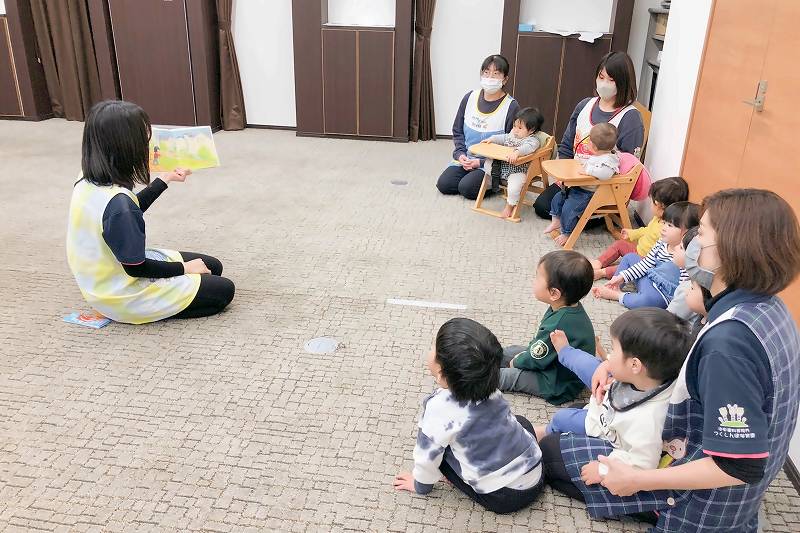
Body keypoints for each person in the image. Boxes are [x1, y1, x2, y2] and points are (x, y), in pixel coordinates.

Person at [551, 189, 800, 532]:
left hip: (696, 500)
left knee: (552, 453)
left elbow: (737, 466)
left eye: (703, 233)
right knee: (587, 419)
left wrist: (637, 480)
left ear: (732, 250)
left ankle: (648, 508)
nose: (693, 243)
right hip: (728, 486)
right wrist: (611, 364)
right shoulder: (768, 308)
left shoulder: (729, 345)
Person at [66, 100, 235, 324]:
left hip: (100, 278)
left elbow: (127, 211)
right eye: (144, 139)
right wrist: (184, 268)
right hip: (121, 293)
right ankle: (148, 309)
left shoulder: (87, 180)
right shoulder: (119, 206)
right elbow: (137, 268)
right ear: (127, 147)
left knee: (212, 266)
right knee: (223, 291)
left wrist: (164, 180)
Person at [393, 318, 544, 514]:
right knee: (520, 421)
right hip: (536, 473)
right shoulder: (490, 388)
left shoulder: (439, 408)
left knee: (440, 452)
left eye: (433, 348)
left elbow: (427, 457)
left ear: (441, 374)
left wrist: (420, 485)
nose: (431, 350)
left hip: (504, 497)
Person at [537, 309, 691, 500]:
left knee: (562, 419)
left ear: (635, 365)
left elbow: (642, 465)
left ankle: (545, 433)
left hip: (605, 429)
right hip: (607, 411)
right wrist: (606, 364)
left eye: (614, 349)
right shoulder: (652, 378)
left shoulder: (648, 420)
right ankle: (566, 352)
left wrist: (603, 470)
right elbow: (603, 366)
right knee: (591, 371)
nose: (609, 355)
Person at [533, 52, 644, 219]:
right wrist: (563, 177)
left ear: (623, 82)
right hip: (573, 178)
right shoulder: (585, 105)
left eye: (611, 80)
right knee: (543, 206)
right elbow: (567, 144)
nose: (604, 84)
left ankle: (593, 217)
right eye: (601, 77)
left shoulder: (630, 117)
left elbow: (629, 166)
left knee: (567, 213)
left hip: (600, 186)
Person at [499, 251, 595, 404]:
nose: (533, 280)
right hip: (553, 362)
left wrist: (516, 363)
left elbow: (536, 358)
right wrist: (522, 357)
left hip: (557, 384)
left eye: (537, 277)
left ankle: (472, 380)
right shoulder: (567, 307)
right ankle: (481, 360)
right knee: (510, 351)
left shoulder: (559, 323)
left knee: (507, 376)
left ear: (554, 293)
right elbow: (539, 348)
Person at [436, 54, 521, 200]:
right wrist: (460, 155)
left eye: (496, 74)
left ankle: (496, 183)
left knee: (467, 188)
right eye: (486, 72)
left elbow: (512, 144)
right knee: (444, 184)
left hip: (491, 163)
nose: (490, 77)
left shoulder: (511, 106)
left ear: (505, 79)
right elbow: (457, 131)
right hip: (466, 158)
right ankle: (470, 175)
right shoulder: (470, 97)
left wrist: (480, 162)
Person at [593, 202, 699, 309]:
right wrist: (621, 277)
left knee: (646, 301)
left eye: (670, 225)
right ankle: (614, 287)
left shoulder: (685, 256)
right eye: (664, 223)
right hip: (649, 278)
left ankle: (618, 296)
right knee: (630, 257)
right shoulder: (661, 242)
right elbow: (646, 264)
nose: (663, 228)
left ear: (687, 233)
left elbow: (682, 291)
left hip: (660, 293)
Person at [590, 176, 690, 280]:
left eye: (653, 202)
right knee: (619, 244)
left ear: (661, 207)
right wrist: (632, 233)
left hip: (645, 261)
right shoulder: (657, 218)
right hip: (638, 249)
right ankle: (599, 262)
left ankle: (602, 273)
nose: (650, 204)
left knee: (627, 266)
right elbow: (647, 230)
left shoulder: (666, 231)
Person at [544, 123, 620, 246]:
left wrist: (588, 170)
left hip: (591, 193)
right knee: (558, 197)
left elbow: (605, 174)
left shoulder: (609, 160)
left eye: (589, 141)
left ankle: (567, 233)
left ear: (593, 147)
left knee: (569, 208)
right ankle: (556, 220)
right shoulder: (599, 155)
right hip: (580, 187)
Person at [480, 107, 545, 218]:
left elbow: (527, 148)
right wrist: (492, 139)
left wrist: (517, 152)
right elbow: (504, 137)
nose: (515, 130)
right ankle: (495, 179)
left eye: (520, 128)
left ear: (531, 130)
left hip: (519, 170)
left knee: (514, 187)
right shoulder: (512, 134)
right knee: (488, 163)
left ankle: (510, 205)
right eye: (514, 126)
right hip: (503, 165)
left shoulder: (532, 141)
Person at [665, 226, 699, 321]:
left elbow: (667, 320)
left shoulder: (689, 288)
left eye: (681, 247)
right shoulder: (691, 279)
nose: (675, 247)